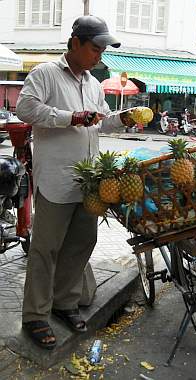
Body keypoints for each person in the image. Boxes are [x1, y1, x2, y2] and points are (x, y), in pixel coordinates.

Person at [16, 15, 129, 350]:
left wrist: (121, 120)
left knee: (82, 243)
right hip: (56, 180)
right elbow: (25, 109)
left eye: (102, 50)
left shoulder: (93, 84)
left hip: (88, 183)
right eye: (95, 48)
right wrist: (70, 118)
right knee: (45, 249)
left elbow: (98, 124)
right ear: (76, 43)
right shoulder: (46, 73)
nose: (100, 56)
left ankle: (65, 302)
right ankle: (35, 315)